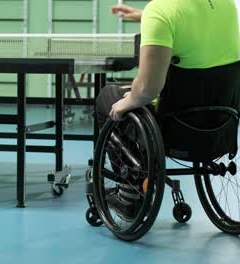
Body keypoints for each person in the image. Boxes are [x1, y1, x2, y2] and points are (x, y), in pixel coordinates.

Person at [97, 0, 240, 220]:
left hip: (176, 131)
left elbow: (147, 89)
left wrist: (129, 100)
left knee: (108, 97)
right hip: (219, 125)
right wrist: (144, 15)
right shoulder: (226, 5)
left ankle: (130, 194)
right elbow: (190, 18)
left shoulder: (162, 10)